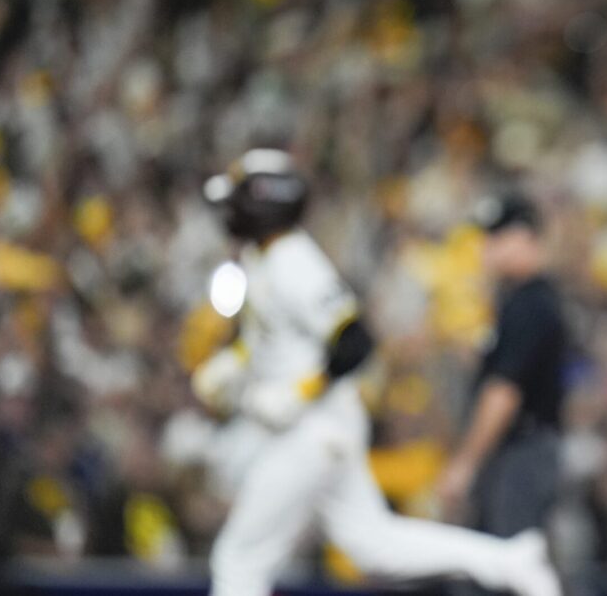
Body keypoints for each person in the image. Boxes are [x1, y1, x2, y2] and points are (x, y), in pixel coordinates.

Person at [192, 149, 561, 596]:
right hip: (323, 430)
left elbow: (355, 341)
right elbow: (271, 338)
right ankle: (506, 560)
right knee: (372, 543)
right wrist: (233, 364)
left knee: (239, 558)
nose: (228, 212)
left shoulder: (292, 259)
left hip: (312, 429)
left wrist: (300, 391)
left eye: (235, 200)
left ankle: (508, 560)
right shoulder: (263, 259)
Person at [439, 193, 566, 569]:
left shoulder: (531, 304)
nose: (485, 248)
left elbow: (504, 392)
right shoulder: (520, 300)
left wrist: (465, 463)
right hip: (520, 450)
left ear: (525, 237)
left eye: (495, 238)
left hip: (521, 453)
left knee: (510, 565)